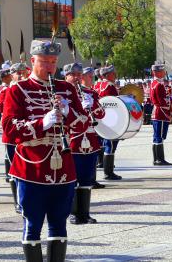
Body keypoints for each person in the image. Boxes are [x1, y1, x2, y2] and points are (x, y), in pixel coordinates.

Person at [3, 40, 89, 262]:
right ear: (32, 61)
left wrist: (68, 110)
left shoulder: (67, 88)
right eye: (44, 62)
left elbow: (83, 123)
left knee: (59, 221)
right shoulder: (17, 89)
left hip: (63, 166)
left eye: (53, 62)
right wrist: (43, 122)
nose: (50, 67)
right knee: (32, 223)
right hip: (32, 166)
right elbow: (9, 129)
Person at [64, 64, 104, 224]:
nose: (76, 77)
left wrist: (92, 104)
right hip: (74, 141)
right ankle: (73, 213)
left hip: (90, 141)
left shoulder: (90, 93)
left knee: (87, 179)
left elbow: (101, 114)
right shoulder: (63, 94)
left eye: (79, 74)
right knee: (74, 179)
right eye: (72, 74)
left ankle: (85, 213)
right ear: (66, 76)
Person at [97, 65, 121, 180]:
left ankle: (102, 163)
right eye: (113, 73)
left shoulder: (97, 85)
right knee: (110, 145)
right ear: (108, 75)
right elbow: (116, 103)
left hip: (100, 118)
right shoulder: (110, 86)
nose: (115, 75)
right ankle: (108, 172)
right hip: (110, 119)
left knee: (102, 143)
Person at [150, 62, 172, 166]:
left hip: (157, 112)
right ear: (157, 73)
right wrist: (169, 113)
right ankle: (159, 159)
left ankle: (157, 158)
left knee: (156, 136)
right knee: (159, 137)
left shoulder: (154, 83)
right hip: (161, 113)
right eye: (162, 71)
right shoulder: (158, 85)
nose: (164, 72)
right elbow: (162, 101)